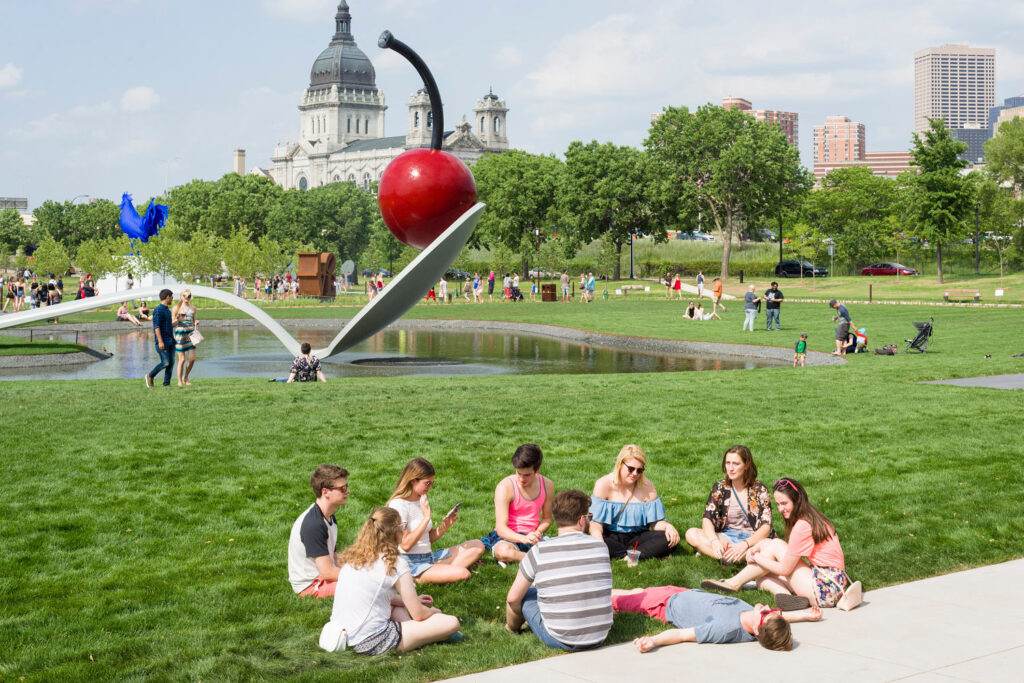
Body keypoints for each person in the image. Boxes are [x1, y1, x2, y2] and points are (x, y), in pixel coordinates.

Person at [700, 477, 862, 612]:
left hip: (824, 589)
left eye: (784, 503)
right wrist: (762, 547)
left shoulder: (802, 525)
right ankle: (786, 596)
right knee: (761, 578)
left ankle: (733, 583)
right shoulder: (814, 517)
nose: (780, 509)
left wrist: (757, 558)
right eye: (777, 504)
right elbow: (789, 555)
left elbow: (785, 569)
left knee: (775, 545)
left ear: (797, 499)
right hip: (833, 584)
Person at [320, 506, 461, 655]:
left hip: (343, 634)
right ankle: (427, 634)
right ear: (396, 531)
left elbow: (375, 592)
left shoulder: (353, 559)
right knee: (450, 622)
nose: (404, 530)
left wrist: (413, 600)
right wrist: (434, 612)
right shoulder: (395, 563)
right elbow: (418, 614)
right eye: (403, 527)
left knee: (398, 608)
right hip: (372, 640)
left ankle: (418, 633)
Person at [505, 489, 613, 651]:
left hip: (561, 638)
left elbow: (513, 599)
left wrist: (511, 626)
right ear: (582, 519)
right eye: (589, 517)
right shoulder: (601, 547)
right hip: (600, 636)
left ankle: (511, 630)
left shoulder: (540, 551)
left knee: (526, 595)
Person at [614, 585, 820, 652]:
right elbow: (777, 618)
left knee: (617, 601)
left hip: (665, 604)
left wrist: (654, 640)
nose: (767, 607)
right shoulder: (754, 619)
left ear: (757, 630)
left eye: (766, 613)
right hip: (684, 592)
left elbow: (682, 635)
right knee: (637, 590)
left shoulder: (724, 629)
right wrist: (804, 615)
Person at [387, 458, 485, 584]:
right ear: (413, 481)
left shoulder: (420, 500)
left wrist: (445, 526)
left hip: (429, 557)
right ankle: (416, 577)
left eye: (432, 483)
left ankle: (439, 571)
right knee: (463, 573)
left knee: (477, 545)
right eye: (427, 483)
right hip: (411, 563)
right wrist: (426, 517)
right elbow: (405, 545)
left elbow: (426, 539)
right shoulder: (398, 505)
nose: (431, 487)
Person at [684, 445, 774, 565]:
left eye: (736, 464)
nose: (730, 468)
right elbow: (708, 519)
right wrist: (714, 541)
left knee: (767, 546)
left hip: (752, 539)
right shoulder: (720, 487)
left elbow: (765, 528)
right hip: (727, 536)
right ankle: (733, 557)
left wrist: (745, 544)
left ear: (746, 465)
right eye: (728, 463)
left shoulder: (759, 490)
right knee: (691, 534)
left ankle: (721, 555)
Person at [588, 444, 679, 561]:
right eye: (631, 469)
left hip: (638, 535)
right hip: (611, 535)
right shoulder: (603, 484)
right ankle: (637, 554)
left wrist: (668, 526)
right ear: (620, 464)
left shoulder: (648, 487)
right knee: (593, 537)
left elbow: (655, 523)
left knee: (669, 539)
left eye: (640, 470)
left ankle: (627, 555)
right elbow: (595, 524)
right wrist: (599, 542)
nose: (635, 474)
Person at [481, 444, 553, 565]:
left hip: (532, 535)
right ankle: (537, 559)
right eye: (518, 473)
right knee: (503, 552)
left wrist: (538, 532)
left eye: (527, 475)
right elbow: (501, 529)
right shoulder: (505, 487)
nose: (521, 478)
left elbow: (547, 519)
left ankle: (534, 556)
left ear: (537, 469)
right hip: (508, 537)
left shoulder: (547, 485)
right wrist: (524, 539)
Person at [288, 464, 350, 598]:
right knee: (366, 588)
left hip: (322, 577)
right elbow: (327, 572)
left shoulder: (328, 516)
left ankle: (404, 615)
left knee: (372, 584)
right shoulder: (314, 524)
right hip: (311, 585)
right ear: (325, 492)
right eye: (342, 488)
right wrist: (361, 577)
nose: (348, 491)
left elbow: (332, 557)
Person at [145, 289, 175, 387]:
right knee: (165, 362)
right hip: (162, 341)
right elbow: (156, 327)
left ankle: (166, 384)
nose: (172, 299)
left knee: (171, 363)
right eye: (172, 297)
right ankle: (150, 376)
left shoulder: (167, 310)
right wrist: (160, 341)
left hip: (171, 341)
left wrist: (178, 321)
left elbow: (169, 326)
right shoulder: (158, 310)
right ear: (167, 297)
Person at [172, 289, 198, 387]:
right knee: (182, 360)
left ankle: (185, 377)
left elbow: (194, 321)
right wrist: (178, 320)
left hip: (190, 334)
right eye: (185, 296)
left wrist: (196, 323)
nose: (187, 298)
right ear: (181, 297)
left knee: (192, 359)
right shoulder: (176, 308)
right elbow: (172, 324)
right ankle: (179, 380)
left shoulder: (193, 308)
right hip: (179, 334)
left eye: (189, 296)